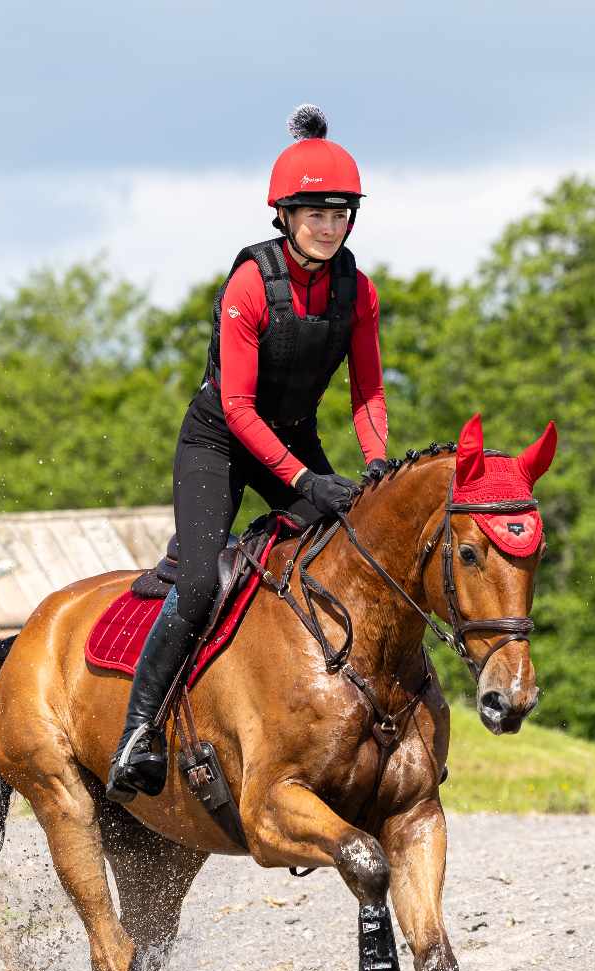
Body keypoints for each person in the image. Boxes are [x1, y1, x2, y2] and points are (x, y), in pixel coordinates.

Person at [107, 104, 389, 802]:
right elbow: (236, 408)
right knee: (202, 585)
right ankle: (138, 732)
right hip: (219, 442)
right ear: (285, 217)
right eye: (315, 214)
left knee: (360, 550)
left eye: (340, 214)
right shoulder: (248, 286)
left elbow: (368, 392)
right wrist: (303, 481)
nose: (329, 227)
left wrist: (376, 466)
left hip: (290, 437)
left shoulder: (360, 291)